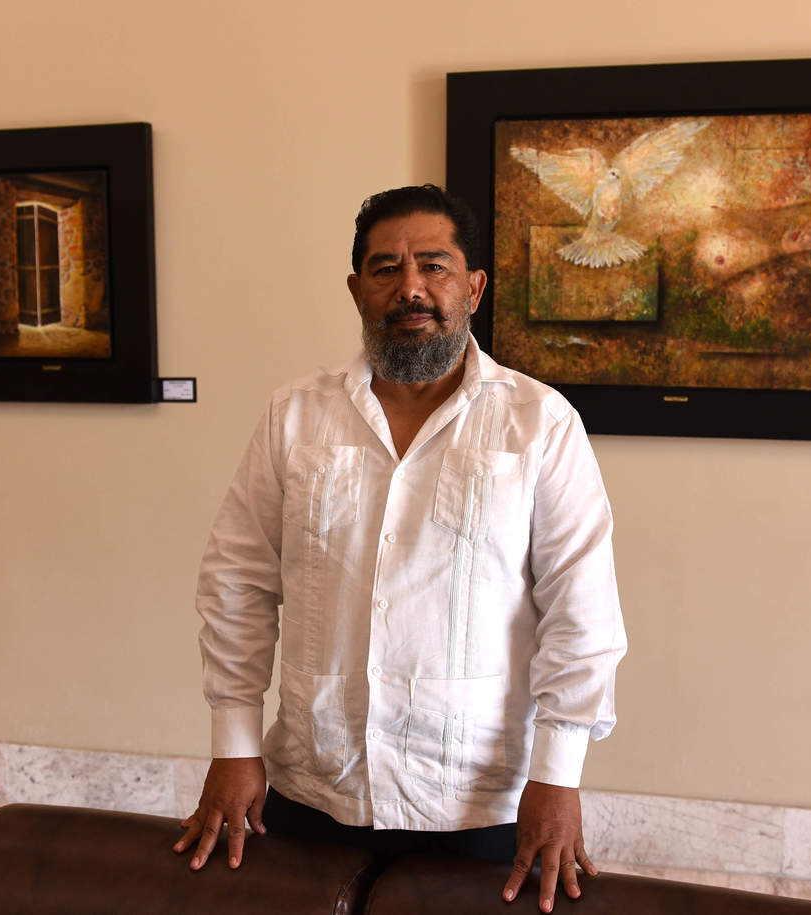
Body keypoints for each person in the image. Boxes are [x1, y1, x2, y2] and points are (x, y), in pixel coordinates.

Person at [174, 185, 626, 913]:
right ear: (358, 290)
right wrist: (234, 743)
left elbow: (582, 611)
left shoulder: (539, 424)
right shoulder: (296, 416)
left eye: (434, 266)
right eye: (386, 268)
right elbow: (238, 581)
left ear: (473, 287)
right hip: (313, 789)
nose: (410, 287)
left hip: (477, 804)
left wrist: (558, 773)